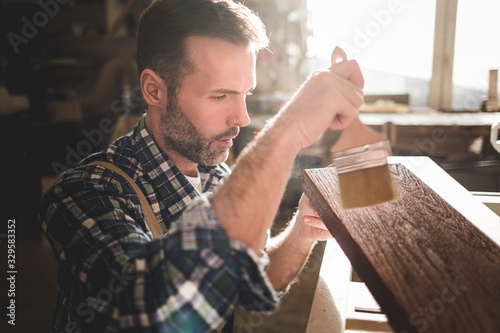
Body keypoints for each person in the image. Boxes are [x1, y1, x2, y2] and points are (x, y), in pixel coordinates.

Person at [38, 0, 364, 332]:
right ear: (154, 90)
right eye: (220, 96)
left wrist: (301, 232)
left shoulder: (219, 178)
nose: (242, 119)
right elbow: (149, 315)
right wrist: (286, 131)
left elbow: (250, 281)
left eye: (245, 95)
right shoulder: (84, 193)